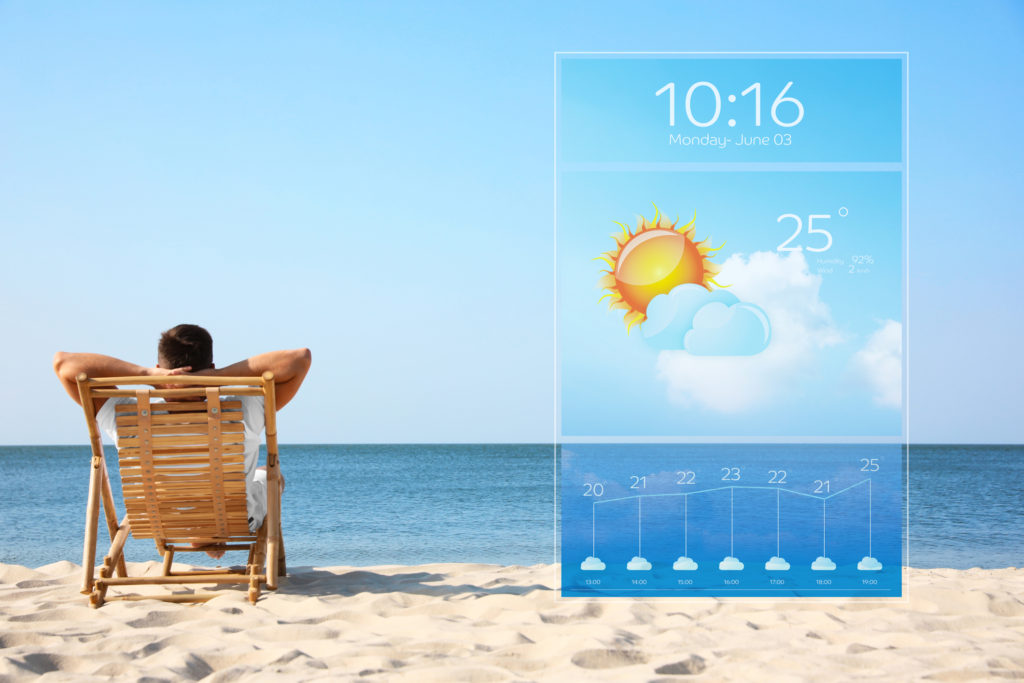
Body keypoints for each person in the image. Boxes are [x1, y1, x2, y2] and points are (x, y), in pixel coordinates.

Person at [53, 324, 312, 558]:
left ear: (159, 370)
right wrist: (219, 377)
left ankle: (201, 532)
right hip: (234, 519)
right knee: (271, 474)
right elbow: (300, 359)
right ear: (210, 368)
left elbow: (63, 364)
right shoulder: (242, 408)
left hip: (161, 521)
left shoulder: (130, 419)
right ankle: (211, 534)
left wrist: (145, 374)